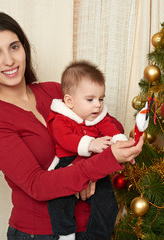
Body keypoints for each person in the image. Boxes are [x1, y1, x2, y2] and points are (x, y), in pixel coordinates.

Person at [0, 11, 143, 240]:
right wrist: (96, 165)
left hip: (92, 227)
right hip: (42, 233)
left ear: (24, 49)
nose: (9, 60)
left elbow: (107, 122)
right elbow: (38, 185)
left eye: (14, 47)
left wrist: (86, 168)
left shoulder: (53, 92)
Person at [47, 60, 128, 240]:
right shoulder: (61, 118)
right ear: (69, 101)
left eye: (101, 99)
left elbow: (111, 129)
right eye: (90, 99)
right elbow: (64, 138)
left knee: (108, 204)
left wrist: (120, 142)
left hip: (95, 165)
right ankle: (65, 234)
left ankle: (97, 236)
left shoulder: (98, 117)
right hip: (68, 162)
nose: (98, 105)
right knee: (59, 200)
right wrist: (90, 144)